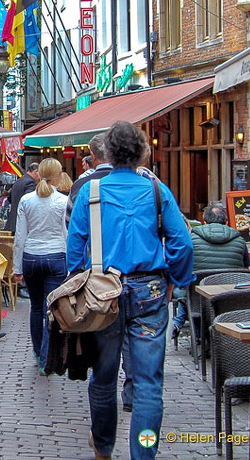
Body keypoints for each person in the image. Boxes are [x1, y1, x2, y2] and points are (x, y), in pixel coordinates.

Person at [67, 121, 193, 460]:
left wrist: (78, 283)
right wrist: (175, 280)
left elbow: (74, 247)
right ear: (143, 154)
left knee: (103, 375)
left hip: (101, 292)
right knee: (148, 383)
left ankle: (103, 447)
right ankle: (144, 453)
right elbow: (182, 243)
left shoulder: (91, 192)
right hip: (150, 289)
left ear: (107, 153)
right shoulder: (156, 190)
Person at [12, 157, 67, 374]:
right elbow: (67, 234)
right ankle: (46, 358)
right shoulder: (63, 201)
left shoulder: (27, 201)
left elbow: (20, 236)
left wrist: (17, 267)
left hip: (31, 257)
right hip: (56, 256)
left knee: (35, 307)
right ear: (58, 176)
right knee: (50, 309)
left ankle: (37, 351)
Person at [171, 201, 249, 338]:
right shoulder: (240, 241)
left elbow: (183, 266)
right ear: (226, 222)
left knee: (184, 289)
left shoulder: (192, 240)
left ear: (204, 222)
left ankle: (190, 330)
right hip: (230, 299)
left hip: (197, 300)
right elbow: (245, 267)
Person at [4, 162, 39, 233]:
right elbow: (29, 202)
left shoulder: (18, 181)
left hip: (12, 221)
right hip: (22, 223)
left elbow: (9, 198)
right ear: (36, 172)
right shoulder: (30, 183)